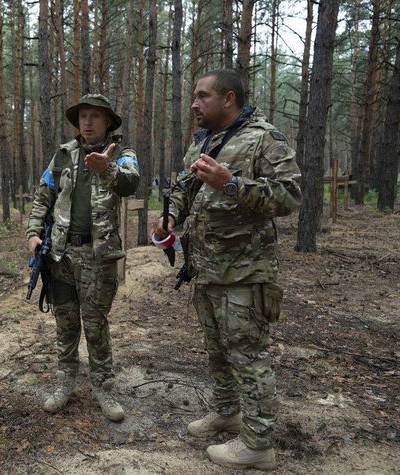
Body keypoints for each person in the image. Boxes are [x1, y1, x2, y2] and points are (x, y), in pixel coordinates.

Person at [153, 70, 301, 469]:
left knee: (249, 356)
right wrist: (170, 216)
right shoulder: (202, 141)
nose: (195, 104)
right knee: (217, 350)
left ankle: (258, 444)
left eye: (202, 96)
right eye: (194, 97)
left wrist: (232, 183)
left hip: (246, 273)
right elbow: (186, 187)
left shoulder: (264, 138)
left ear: (229, 98)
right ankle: (226, 412)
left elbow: (290, 197)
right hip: (206, 269)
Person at [26, 94, 139, 422]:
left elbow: (130, 184)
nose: (87, 122)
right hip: (61, 254)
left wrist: (108, 170)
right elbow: (43, 195)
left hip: (98, 255)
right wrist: (34, 233)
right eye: (83, 117)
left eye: (95, 117)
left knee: (95, 322)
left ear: (107, 122)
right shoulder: (63, 154)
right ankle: (65, 380)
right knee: (65, 320)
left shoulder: (122, 155)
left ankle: (104, 385)